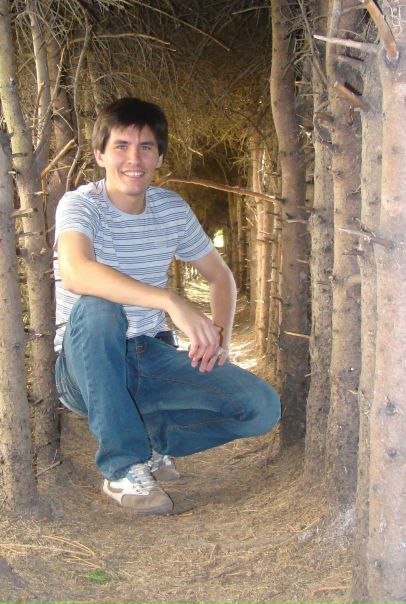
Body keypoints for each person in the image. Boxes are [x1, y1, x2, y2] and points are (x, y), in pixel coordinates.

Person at [54, 97, 280, 515]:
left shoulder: (171, 209)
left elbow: (221, 277)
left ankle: (149, 440)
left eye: (146, 147)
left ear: (159, 157)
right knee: (102, 307)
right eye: (121, 146)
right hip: (84, 363)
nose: (134, 159)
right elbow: (76, 272)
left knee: (260, 407)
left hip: (149, 354)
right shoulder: (81, 205)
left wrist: (220, 339)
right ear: (100, 154)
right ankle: (122, 468)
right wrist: (169, 299)